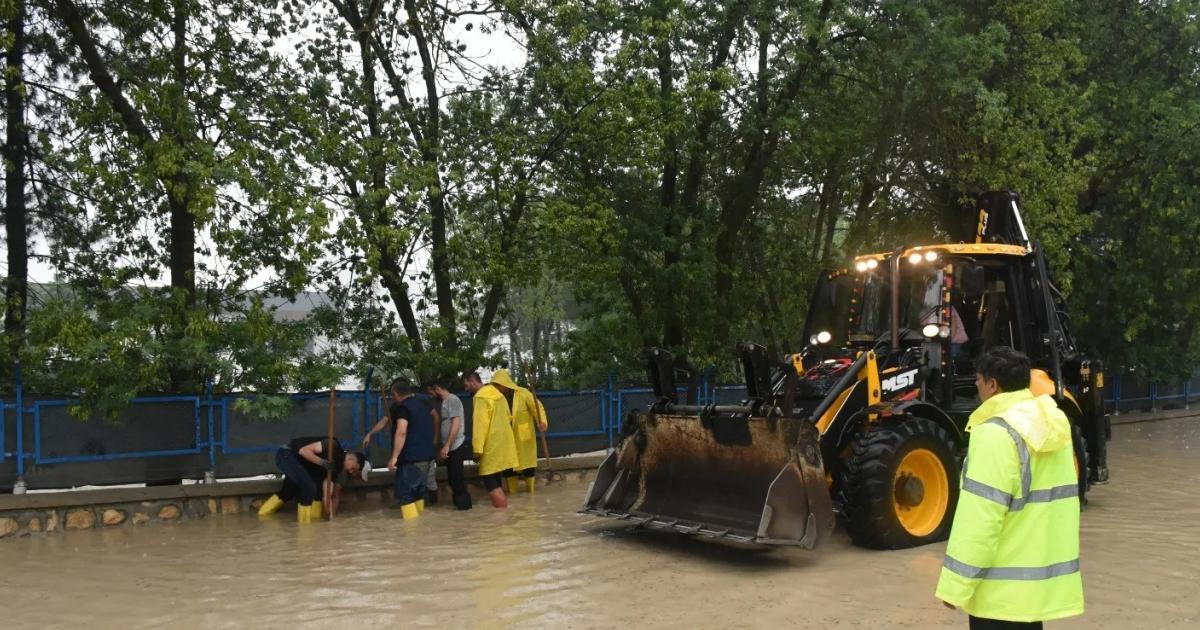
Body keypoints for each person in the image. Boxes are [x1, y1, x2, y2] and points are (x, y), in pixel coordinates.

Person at [935, 347, 1083, 629]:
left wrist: (955, 586)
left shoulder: (994, 434)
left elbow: (980, 519)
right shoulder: (1053, 424)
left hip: (998, 597)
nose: (975, 385)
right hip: (1034, 595)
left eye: (978, 379)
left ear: (992, 385)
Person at [258, 435, 367, 522]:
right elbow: (304, 451)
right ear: (351, 460)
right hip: (288, 454)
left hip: (303, 466)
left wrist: (330, 515)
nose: (351, 472)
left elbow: (326, 489)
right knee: (309, 488)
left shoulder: (337, 469)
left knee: (305, 493)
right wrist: (322, 462)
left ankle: (261, 518)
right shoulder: (332, 444)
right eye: (353, 469)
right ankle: (305, 530)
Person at [465, 371, 518, 508]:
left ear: (472, 382)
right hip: (505, 443)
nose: (465, 389)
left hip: (491, 444)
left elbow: (480, 425)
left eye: (466, 385)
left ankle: (502, 515)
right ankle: (503, 517)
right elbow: (509, 417)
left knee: (489, 478)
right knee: (496, 478)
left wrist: (477, 449)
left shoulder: (481, 397)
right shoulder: (499, 395)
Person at [491, 369, 549, 494]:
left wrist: (542, 421)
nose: (496, 387)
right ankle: (512, 492)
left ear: (505, 383)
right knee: (508, 465)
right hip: (505, 435)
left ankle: (531, 491)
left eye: (498, 384)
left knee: (528, 464)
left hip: (524, 436)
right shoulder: (496, 398)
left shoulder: (524, 393)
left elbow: (537, 407)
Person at [425, 380, 473, 510]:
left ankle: (464, 508)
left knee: (457, 479)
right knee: (452, 479)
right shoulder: (446, 402)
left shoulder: (453, 400)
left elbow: (456, 424)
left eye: (431, 391)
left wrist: (447, 445)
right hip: (451, 446)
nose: (430, 395)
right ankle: (460, 509)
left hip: (456, 445)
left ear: (437, 388)